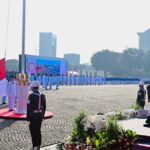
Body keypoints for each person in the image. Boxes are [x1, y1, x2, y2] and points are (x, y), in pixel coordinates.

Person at [27, 81, 46, 150]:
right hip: (40, 115)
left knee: (33, 131)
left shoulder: (31, 96)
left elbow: (29, 108)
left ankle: (35, 146)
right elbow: (44, 107)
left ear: (33, 88)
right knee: (38, 130)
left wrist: (28, 118)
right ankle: (38, 146)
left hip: (33, 116)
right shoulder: (42, 95)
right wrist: (43, 116)